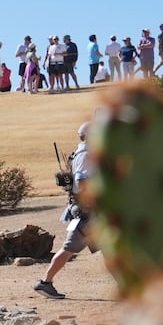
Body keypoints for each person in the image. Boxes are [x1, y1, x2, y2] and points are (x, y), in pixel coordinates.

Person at [34, 122, 95, 300]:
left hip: (85, 211)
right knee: (69, 248)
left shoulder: (81, 153)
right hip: (87, 212)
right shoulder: (85, 155)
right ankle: (45, 283)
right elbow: (82, 181)